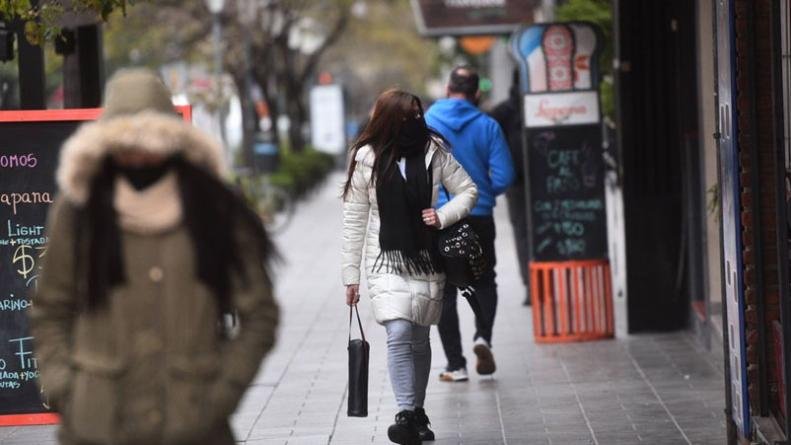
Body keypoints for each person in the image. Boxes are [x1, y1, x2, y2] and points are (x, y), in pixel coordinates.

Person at [31, 68, 280, 445]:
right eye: (127, 143)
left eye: (152, 141)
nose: (139, 154)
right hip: (97, 426)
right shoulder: (80, 210)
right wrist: (67, 388)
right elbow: (51, 309)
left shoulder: (213, 208)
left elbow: (259, 313)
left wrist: (220, 393)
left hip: (194, 424)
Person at [342, 89, 477, 444]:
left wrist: (443, 215)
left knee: (419, 337)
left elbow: (467, 190)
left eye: (417, 115)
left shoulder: (433, 150)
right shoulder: (366, 158)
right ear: (387, 118)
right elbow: (355, 218)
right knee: (399, 331)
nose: (413, 122)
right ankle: (404, 410)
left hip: (428, 256)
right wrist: (350, 276)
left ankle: (416, 411)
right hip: (385, 259)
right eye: (405, 116)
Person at [425, 66, 515, 382]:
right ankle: (483, 338)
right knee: (485, 279)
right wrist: (484, 193)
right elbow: (505, 175)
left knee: (445, 290)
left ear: (448, 89)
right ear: (477, 93)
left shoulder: (427, 123)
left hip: (439, 219)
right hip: (478, 215)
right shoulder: (488, 126)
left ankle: (456, 365)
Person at [490, 70, 531, 306]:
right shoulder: (503, 113)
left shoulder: (502, 112)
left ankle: (531, 285)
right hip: (534, 181)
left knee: (523, 233)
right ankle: (533, 284)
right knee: (527, 232)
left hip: (514, 183)